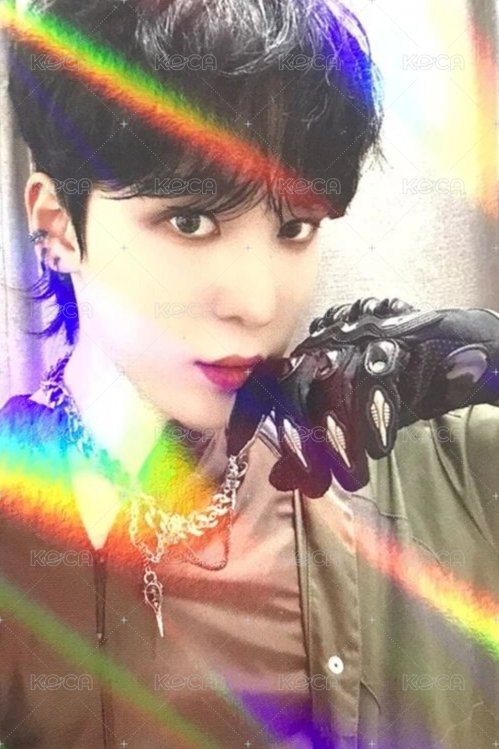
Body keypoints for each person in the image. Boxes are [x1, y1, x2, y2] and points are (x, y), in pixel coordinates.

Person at [0, 0, 497, 747]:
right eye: (191, 221)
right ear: (57, 226)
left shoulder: (423, 460)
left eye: (294, 226)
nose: (260, 304)